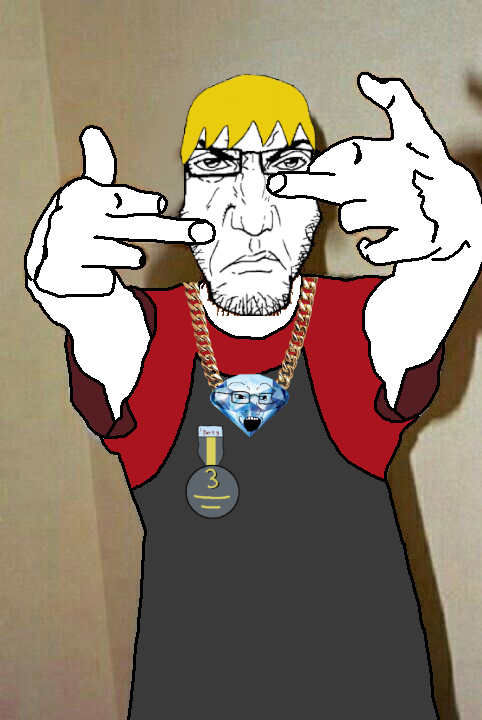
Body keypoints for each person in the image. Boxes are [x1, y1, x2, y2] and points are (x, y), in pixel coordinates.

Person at [25, 73, 482, 718]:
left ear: (317, 199)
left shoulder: (359, 325)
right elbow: (104, 327)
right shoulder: (145, 339)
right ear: (185, 198)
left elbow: (416, 307)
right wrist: (76, 294)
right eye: (215, 169)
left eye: (286, 170)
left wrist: (454, 253)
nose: (253, 214)